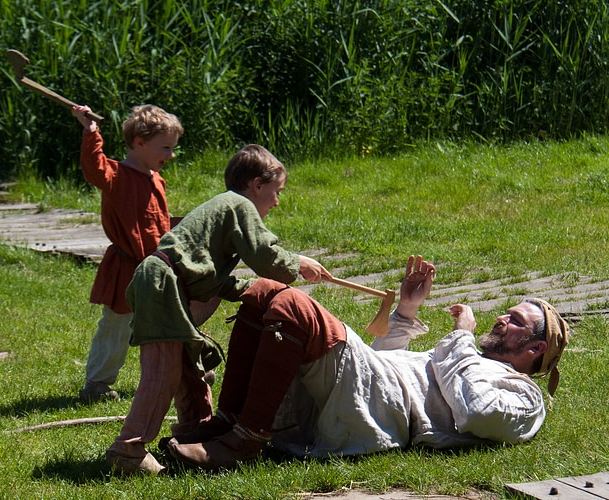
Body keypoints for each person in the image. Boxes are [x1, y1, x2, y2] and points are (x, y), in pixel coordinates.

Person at [167, 255, 570, 470]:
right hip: (374, 392)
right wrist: (408, 312)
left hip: (384, 415)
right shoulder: (465, 360)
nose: (502, 317)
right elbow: (384, 368)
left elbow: (478, 414)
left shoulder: (524, 395)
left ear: (534, 350)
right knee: (264, 293)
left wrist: (462, 337)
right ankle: (228, 422)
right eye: (508, 313)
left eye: (515, 321)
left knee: (293, 305)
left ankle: (245, 442)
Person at [104, 144, 332, 475]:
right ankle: (128, 449)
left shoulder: (226, 208)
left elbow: (208, 272)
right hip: (163, 282)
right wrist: (298, 263)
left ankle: (194, 430)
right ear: (257, 184)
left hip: (164, 281)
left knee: (186, 364)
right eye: (276, 191)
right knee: (163, 369)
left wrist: (250, 291)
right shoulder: (239, 205)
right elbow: (266, 257)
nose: (277, 201)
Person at [71, 104, 184, 403]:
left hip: (156, 268)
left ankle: (181, 375)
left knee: (171, 323)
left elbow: (157, 224)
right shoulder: (116, 174)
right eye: (166, 148)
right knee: (116, 328)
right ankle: (97, 383)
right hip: (126, 268)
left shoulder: (157, 180)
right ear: (139, 142)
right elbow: (94, 167)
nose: (170, 155)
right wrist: (90, 131)